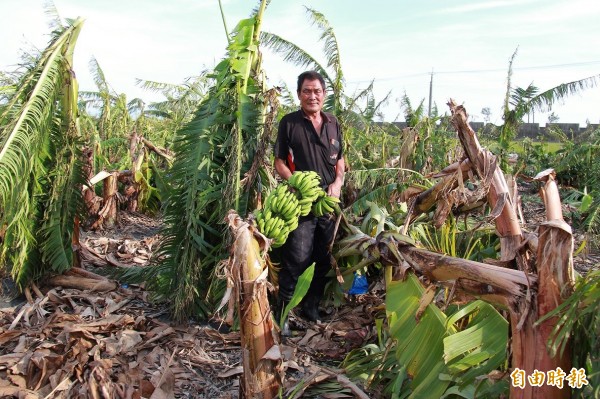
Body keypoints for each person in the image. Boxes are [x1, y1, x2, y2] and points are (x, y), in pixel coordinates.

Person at [273, 71, 345, 332]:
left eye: (317, 91)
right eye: (307, 91)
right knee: (297, 258)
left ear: (324, 95)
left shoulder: (333, 123)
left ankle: (311, 306)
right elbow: (279, 161)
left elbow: (340, 160)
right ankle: (282, 314)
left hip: (328, 203)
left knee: (323, 258)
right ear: (299, 94)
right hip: (302, 204)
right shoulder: (289, 123)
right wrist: (295, 183)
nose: (312, 96)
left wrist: (337, 184)